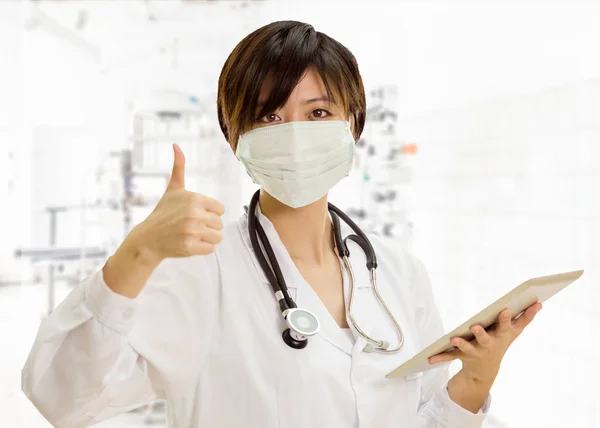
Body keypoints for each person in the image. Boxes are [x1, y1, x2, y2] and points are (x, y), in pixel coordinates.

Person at [21, 21, 542, 428]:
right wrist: (136, 255)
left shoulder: (399, 274)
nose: (294, 134)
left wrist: (477, 375)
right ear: (236, 137)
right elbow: (62, 399)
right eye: (269, 116)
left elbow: (423, 417)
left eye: (318, 113)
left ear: (352, 124)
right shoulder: (200, 274)